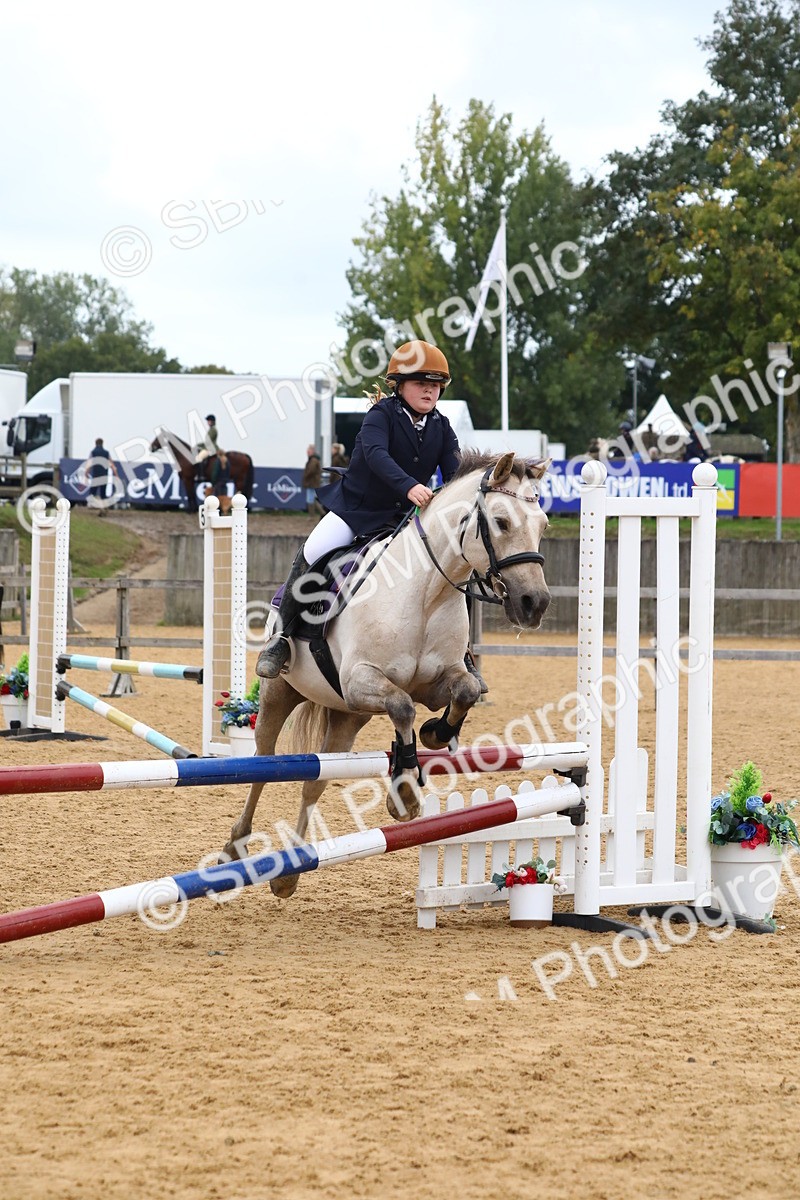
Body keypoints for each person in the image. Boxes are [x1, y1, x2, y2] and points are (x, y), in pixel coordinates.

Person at [256, 339, 483, 685]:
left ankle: (460, 652)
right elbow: (377, 455)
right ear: (399, 385)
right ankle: (282, 638)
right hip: (357, 512)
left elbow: (455, 473)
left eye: (436, 384)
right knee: (314, 551)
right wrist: (409, 486)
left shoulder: (441, 426)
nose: (430, 390)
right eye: (421, 382)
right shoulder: (381, 415)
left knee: (453, 567)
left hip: (402, 522)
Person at [85, 438, 119, 510]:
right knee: (103, 492)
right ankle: (104, 506)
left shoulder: (93, 452)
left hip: (96, 475)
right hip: (104, 476)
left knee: (92, 491)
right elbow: (112, 465)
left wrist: (86, 472)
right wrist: (116, 475)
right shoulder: (106, 453)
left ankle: (91, 504)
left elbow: (89, 463)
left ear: (95, 443)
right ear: (102, 443)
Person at [302, 444, 324, 517]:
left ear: (312, 451)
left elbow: (311, 471)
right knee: (311, 498)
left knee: (310, 499)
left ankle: (314, 515)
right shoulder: (314, 460)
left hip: (312, 482)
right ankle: (320, 513)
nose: (307, 452)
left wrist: (306, 476)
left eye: (309, 450)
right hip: (313, 482)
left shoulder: (313, 460)